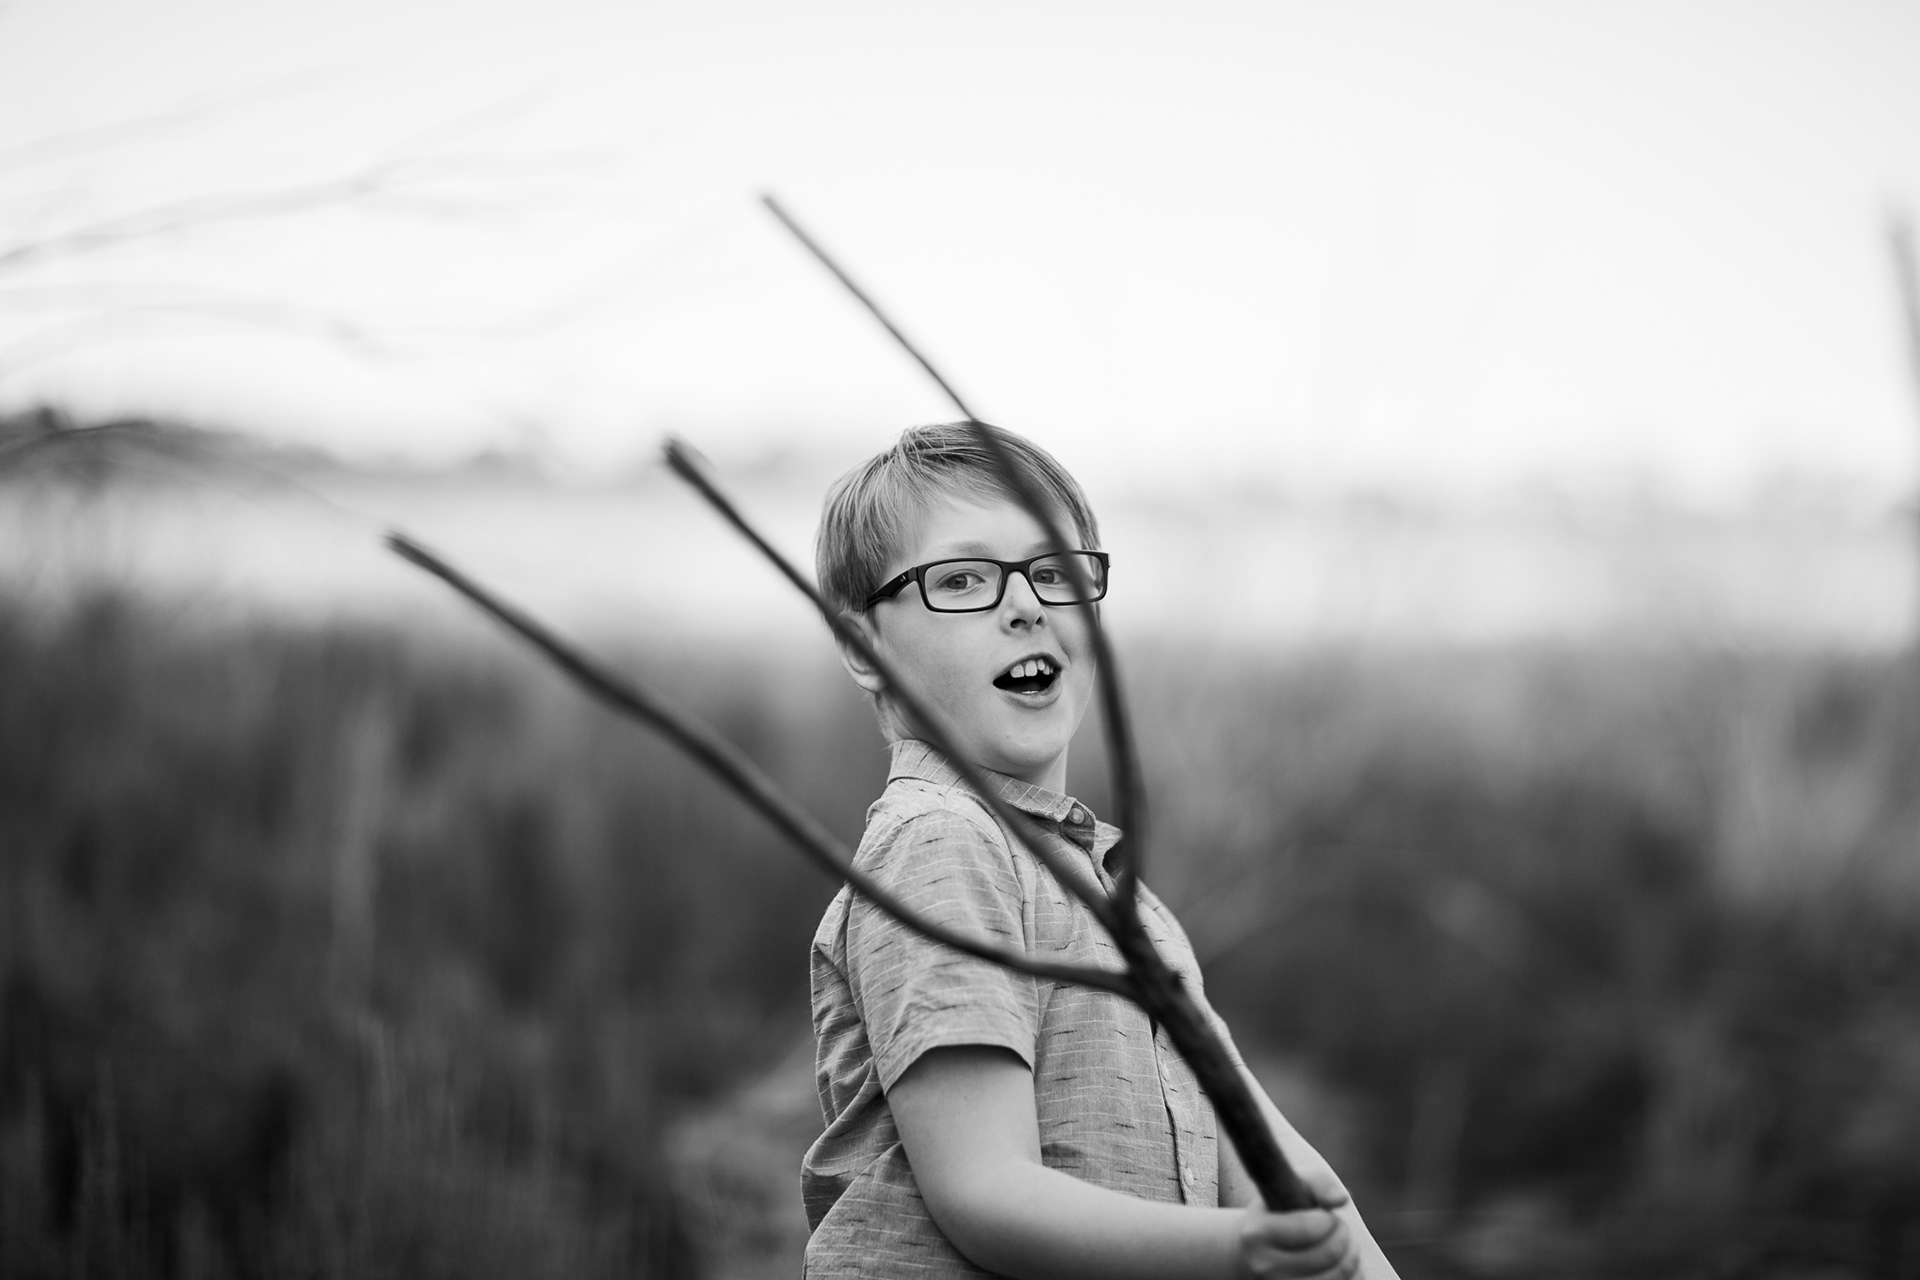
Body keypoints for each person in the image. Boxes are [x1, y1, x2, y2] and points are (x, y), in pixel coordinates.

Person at [803, 423, 1397, 1279]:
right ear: (864, 647)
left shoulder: (1116, 901)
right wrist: (1239, 1253)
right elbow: (986, 1191)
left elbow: (1279, 1170)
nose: (1027, 604)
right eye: (963, 579)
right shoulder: (943, 843)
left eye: (1055, 572)